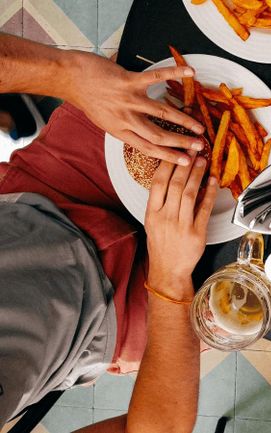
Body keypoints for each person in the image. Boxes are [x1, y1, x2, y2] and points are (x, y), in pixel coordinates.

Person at [0, 33, 212, 430]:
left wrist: (65, 75)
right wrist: (170, 278)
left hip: (39, 196)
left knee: (182, 60)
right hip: (112, 322)